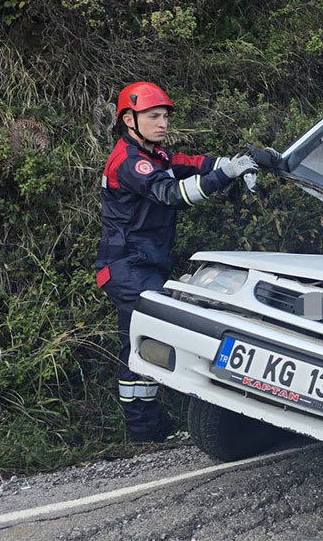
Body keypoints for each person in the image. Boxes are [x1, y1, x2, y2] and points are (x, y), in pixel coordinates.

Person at [95, 82, 263, 442]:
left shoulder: (158, 155)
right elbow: (172, 194)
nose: (162, 123)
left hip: (142, 265)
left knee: (137, 345)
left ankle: (146, 432)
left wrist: (238, 163)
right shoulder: (130, 162)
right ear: (128, 119)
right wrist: (225, 176)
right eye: (153, 116)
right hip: (127, 268)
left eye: (165, 117)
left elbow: (193, 164)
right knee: (166, 331)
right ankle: (189, 421)